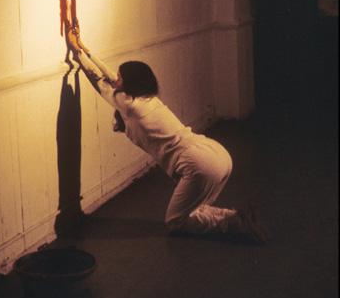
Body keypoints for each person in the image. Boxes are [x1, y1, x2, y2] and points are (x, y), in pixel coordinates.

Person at [65, 21, 272, 244]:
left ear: (129, 82)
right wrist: (84, 48)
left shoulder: (129, 105)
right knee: (196, 209)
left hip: (200, 162)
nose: (116, 80)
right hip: (218, 154)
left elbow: (100, 81)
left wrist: (77, 53)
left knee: (176, 222)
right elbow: (112, 78)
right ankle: (240, 217)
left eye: (120, 77)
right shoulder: (148, 98)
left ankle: (233, 223)